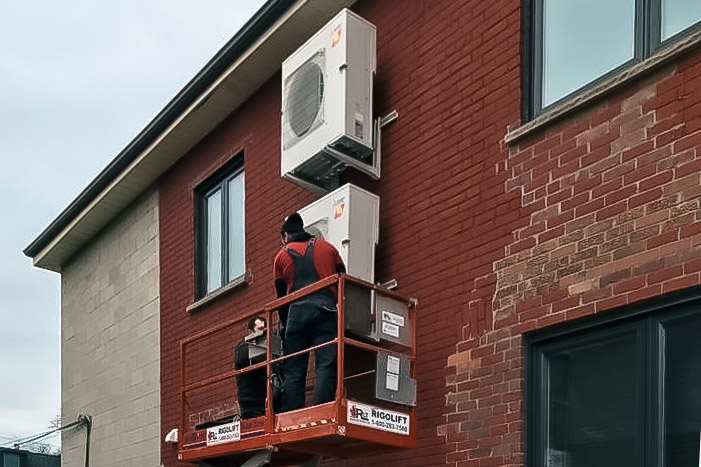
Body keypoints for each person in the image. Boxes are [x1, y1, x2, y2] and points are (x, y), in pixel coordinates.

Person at [273, 212, 346, 412]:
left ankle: (293, 416)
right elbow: (342, 278)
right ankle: (321, 411)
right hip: (326, 310)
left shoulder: (281, 255)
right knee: (326, 363)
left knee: (294, 369)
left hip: (297, 313)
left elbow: (281, 299)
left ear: (285, 235)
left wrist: (287, 326)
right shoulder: (328, 248)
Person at [234, 316, 275, 419]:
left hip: (270, 398)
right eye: (260, 329)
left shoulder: (272, 346)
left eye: (266, 328)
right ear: (250, 331)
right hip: (251, 402)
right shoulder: (243, 347)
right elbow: (242, 359)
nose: (263, 332)